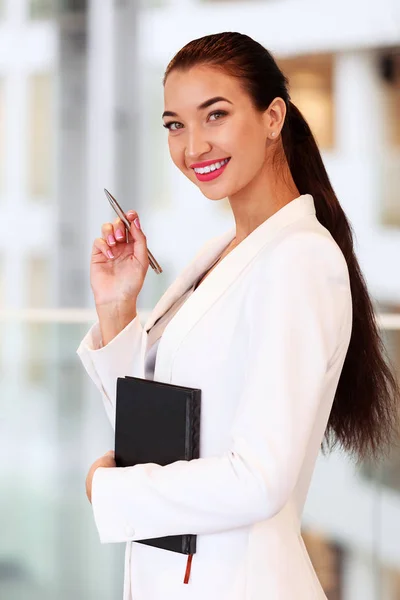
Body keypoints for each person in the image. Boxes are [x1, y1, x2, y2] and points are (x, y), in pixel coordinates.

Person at [76, 32, 399, 600]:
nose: (193, 145)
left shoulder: (299, 260)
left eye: (215, 115)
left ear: (273, 117)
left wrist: (113, 490)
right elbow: (161, 424)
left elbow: (259, 479)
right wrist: (117, 304)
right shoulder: (223, 251)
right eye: (174, 124)